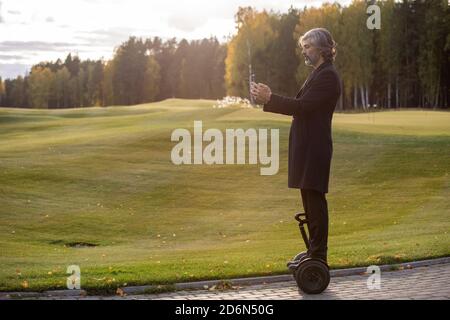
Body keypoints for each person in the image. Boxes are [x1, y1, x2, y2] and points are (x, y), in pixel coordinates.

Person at [251, 28, 341, 264]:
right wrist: (270, 99)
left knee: (315, 200)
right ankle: (313, 251)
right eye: (303, 47)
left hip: (315, 148)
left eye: (307, 47)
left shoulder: (328, 76)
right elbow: (302, 107)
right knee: (309, 200)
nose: (304, 51)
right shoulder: (317, 73)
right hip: (307, 147)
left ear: (322, 49)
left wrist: (270, 98)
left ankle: (319, 255)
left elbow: (302, 107)